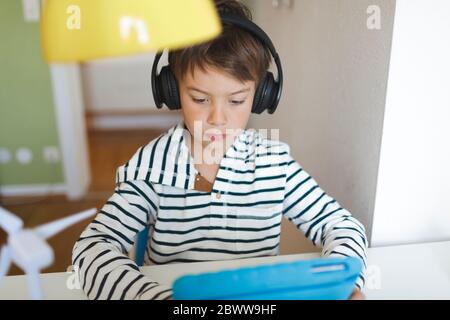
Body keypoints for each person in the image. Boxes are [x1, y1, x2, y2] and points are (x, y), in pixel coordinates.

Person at [72, 0, 367, 300]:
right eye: (200, 99)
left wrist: (346, 285)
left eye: (237, 101)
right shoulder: (151, 166)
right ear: (171, 91)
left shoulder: (274, 165)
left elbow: (341, 225)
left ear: (262, 94)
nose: (217, 119)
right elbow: (93, 247)